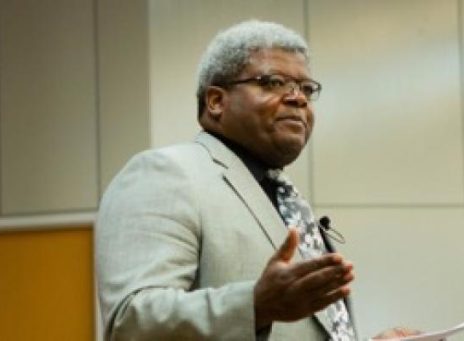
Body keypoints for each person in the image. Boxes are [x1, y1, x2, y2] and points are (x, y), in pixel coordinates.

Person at [96, 19, 418, 341]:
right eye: (273, 82)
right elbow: (131, 322)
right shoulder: (166, 173)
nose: (298, 98)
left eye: (306, 89)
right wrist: (254, 305)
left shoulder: (283, 199)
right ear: (216, 101)